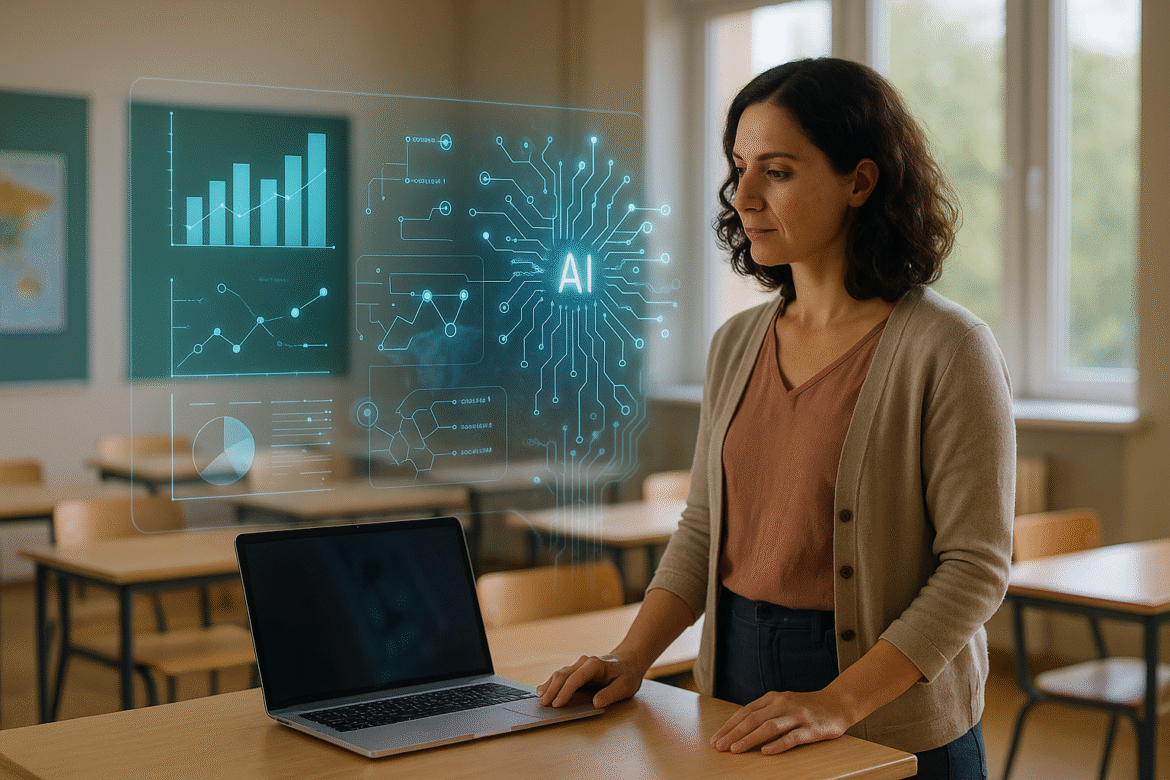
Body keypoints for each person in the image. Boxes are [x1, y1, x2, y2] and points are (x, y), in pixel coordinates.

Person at [536, 57, 1015, 779]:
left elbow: (975, 569)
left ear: (860, 180)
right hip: (733, 671)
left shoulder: (950, 348)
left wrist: (839, 701)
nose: (743, 196)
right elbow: (703, 528)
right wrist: (631, 657)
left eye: (778, 171)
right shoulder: (736, 344)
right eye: (739, 167)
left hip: (883, 696)